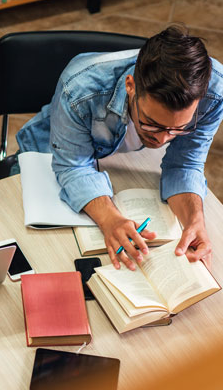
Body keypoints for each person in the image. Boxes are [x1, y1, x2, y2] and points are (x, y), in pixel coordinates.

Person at [16, 25, 223, 270]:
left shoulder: (214, 91)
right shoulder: (79, 89)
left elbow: (185, 163)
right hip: (49, 150)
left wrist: (194, 220)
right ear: (130, 86)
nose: (163, 140)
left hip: (118, 158)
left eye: (179, 128)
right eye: (152, 123)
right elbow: (73, 168)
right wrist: (111, 219)